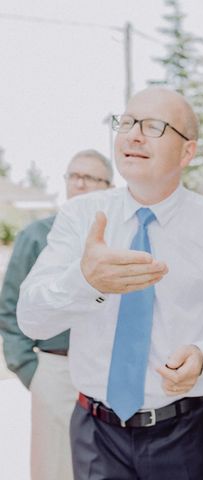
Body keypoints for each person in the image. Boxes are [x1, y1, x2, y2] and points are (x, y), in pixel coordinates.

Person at [17, 86, 203, 480]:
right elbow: (31, 318)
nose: (133, 135)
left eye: (153, 126)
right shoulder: (81, 218)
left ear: (187, 152)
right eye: (127, 122)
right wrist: (85, 281)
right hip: (96, 431)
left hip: (187, 430)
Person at [0, 149, 113, 480]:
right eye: (73, 176)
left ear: (108, 185)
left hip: (107, 371)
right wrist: (29, 369)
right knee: (53, 467)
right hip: (54, 368)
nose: (80, 183)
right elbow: (9, 308)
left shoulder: (118, 238)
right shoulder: (36, 235)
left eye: (90, 177)